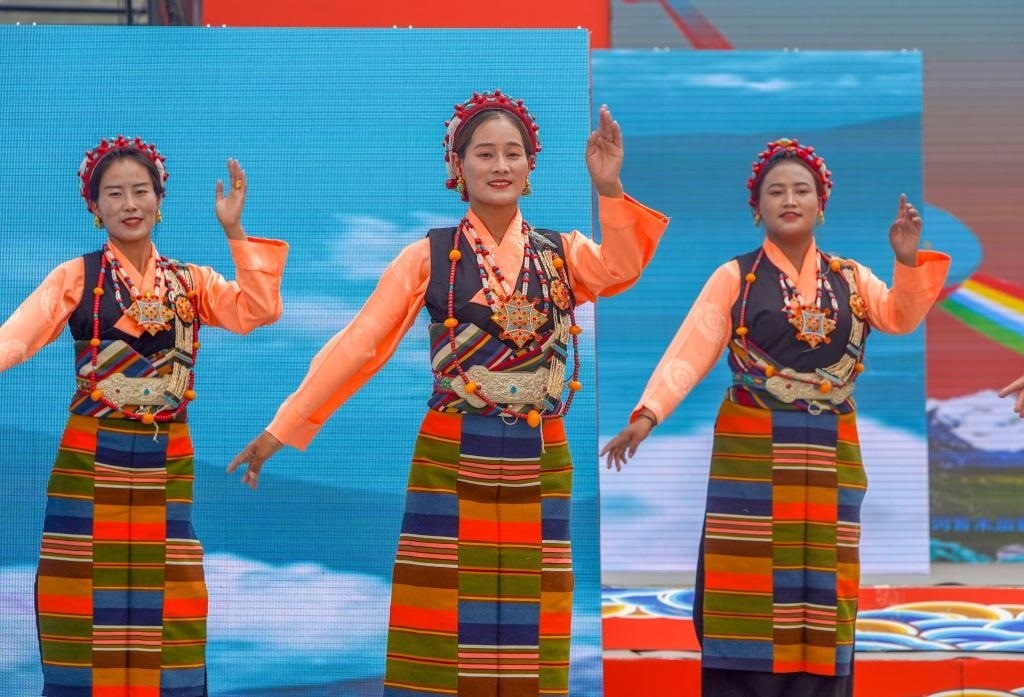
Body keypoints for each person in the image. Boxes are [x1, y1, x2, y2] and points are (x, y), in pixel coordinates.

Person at [228, 90, 668, 696]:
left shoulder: (563, 255)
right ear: (458, 166)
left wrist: (609, 187)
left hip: (541, 452)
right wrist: (283, 428)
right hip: (452, 450)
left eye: (513, 153)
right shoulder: (428, 256)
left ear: (531, 165)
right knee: (443, 609)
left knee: (532, 608)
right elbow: (359, 346)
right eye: (484, 153)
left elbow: (620, 267)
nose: (500, 165)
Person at [601, 138, 950, 697]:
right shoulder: (734, 277)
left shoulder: (852, 278)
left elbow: (899, 316)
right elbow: (691, 350)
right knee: (746, 576)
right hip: (752, 448)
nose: (790, 200)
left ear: (821, 205)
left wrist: (906, 262)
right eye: (776, 191)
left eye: (801, 190)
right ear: (756, 207)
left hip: (829, 449)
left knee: (824, 581)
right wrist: (648, 415)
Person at [0, 135, 288, 697]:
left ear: (160, 199)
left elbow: (257, 310)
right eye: (114, 194)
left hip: (165, 458)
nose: (129, 204)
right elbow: (14, 340)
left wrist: (234, 231)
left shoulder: (191, 282)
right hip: (91, 456)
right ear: (94, 206)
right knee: (82, 590)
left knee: (169, 591)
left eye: (140, 191)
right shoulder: (77, 277)